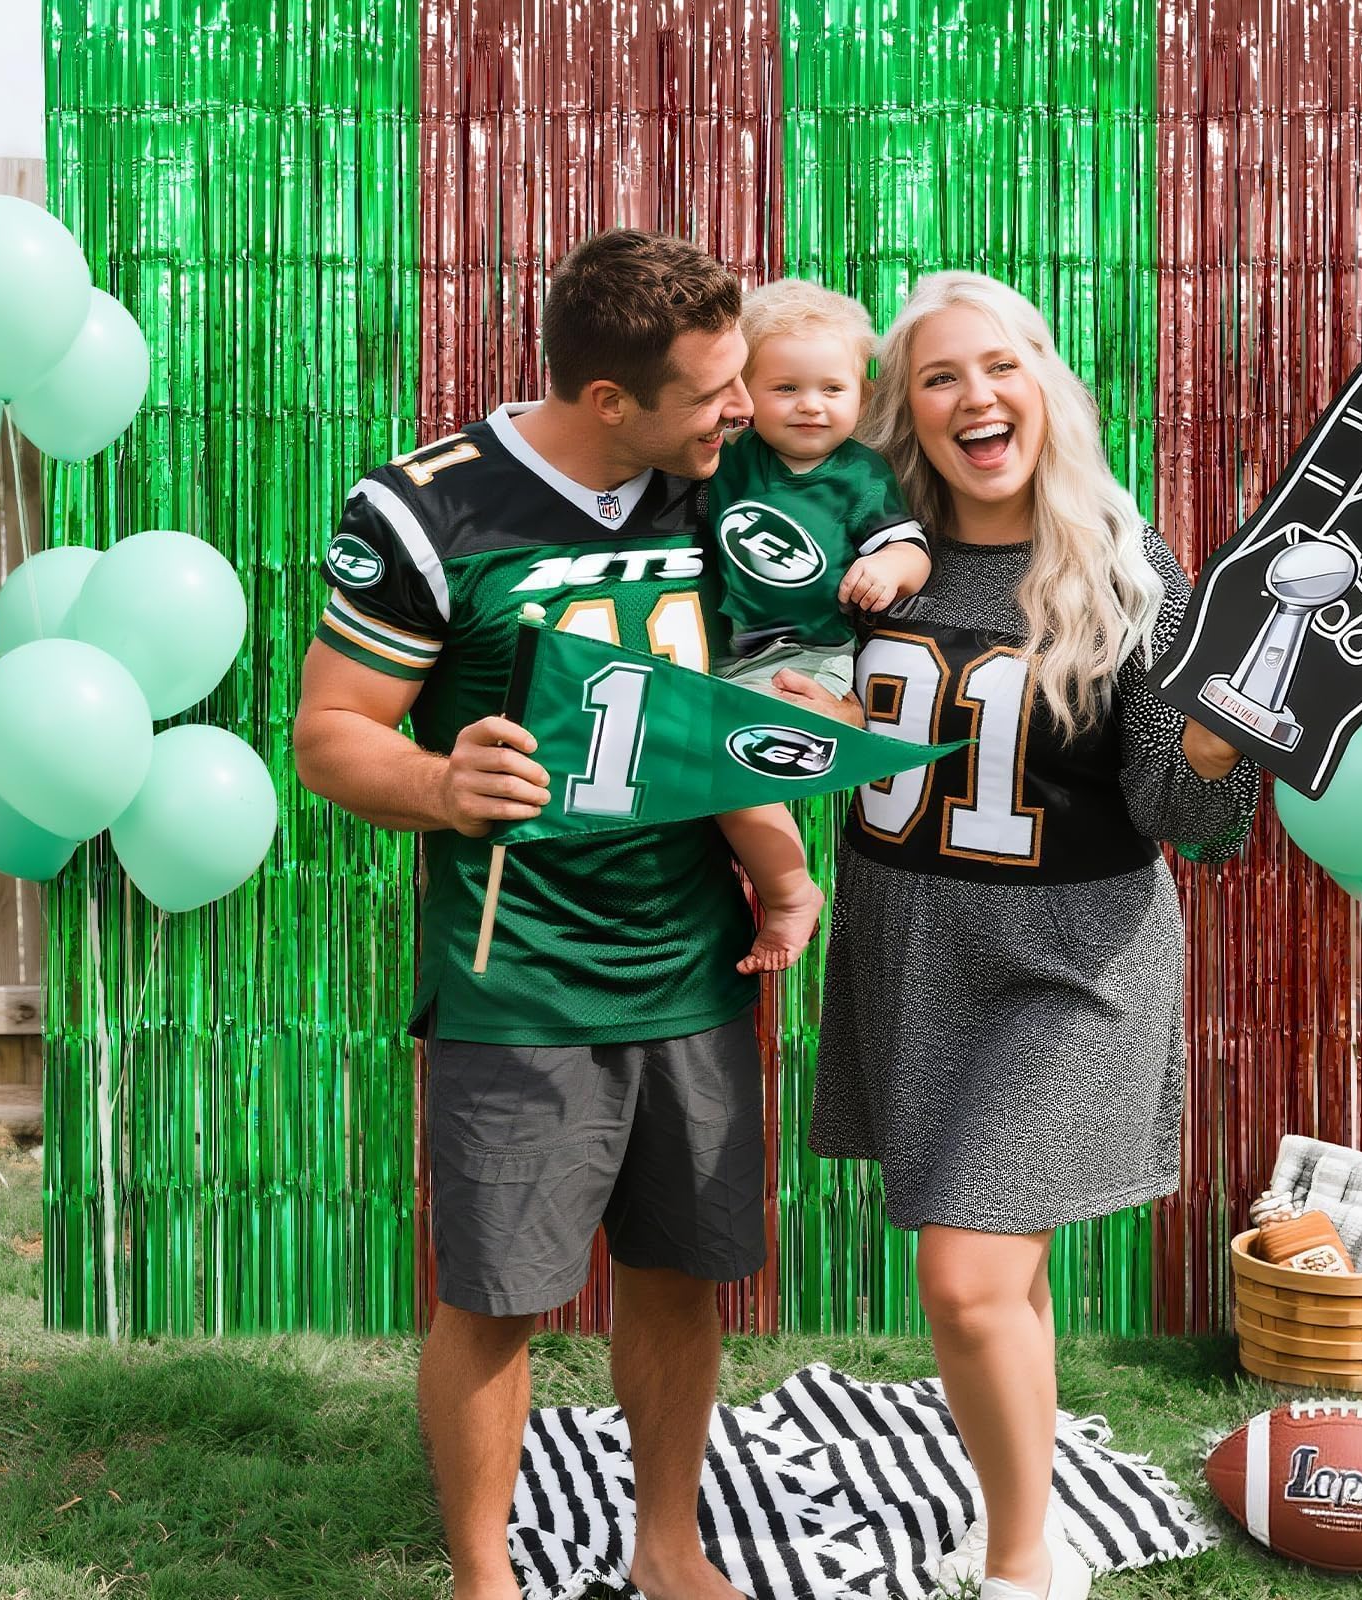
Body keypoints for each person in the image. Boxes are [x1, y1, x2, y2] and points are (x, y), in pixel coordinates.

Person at [292, 229, 856, 1600]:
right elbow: (329, 733)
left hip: (692, 964)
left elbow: (743, 697)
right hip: (519, 975)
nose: (743, 409)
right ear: (609, 399)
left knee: (679, 1273)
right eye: (712, 391)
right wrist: (440, 781)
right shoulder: (427, 509)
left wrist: (792, 822)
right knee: (495, 1297)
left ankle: (668, 1546)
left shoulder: (726, 493)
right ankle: (484, 1577)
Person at [808, 272, 1259, 1600]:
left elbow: (1190, 818)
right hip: (913, 952)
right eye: (938, 378)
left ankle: (1022, 1565)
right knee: (997, 1273)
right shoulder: (866, 557)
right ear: (907, 412)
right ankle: (1027, 1505)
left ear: (1045, 384)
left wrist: (1217, 740)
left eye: (997, 366)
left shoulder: (1128, 568)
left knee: (962, 1275)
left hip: (1075, 962)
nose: (974, 397)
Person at [709, 278, 932, 697]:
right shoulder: (728, 458)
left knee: (769, 712)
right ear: (745, 392)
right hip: (721, 652)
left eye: (832, 389)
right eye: (786, 388)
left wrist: (888, 567)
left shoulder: (860, 475)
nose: (811, 405)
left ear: (862, 398)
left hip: (812, 654)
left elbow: (911, 549)